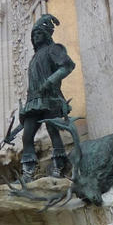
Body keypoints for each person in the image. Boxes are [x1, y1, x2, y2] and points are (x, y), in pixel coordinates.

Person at [19, 13, 76, 180]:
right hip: (34, 101)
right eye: (34, 35)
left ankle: (59, 165)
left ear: (45, 35)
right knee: (27, 135)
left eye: (39, 34)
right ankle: (28, 170)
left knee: (53, 131)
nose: (36, 37)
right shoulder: (34, 58)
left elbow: (67, 66)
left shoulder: (54, 49)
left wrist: (50, 81)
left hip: (50, 98)